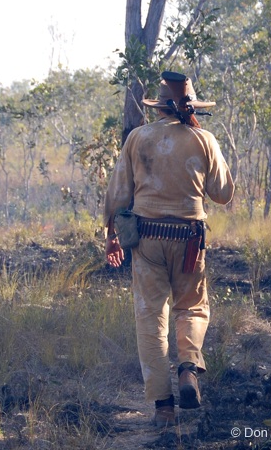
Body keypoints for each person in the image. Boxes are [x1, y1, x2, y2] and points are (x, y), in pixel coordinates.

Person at [104, 71, 234, 428]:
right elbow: (223, 193)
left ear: (159, 106)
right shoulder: (203, 138)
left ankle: (163, 407)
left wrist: (110, 234)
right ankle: (188, 368)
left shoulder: (137, 138)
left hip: (146, 238)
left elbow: (119, 192)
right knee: (191, 307)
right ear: (190, 105)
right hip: (190, 240)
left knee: (150, 318)